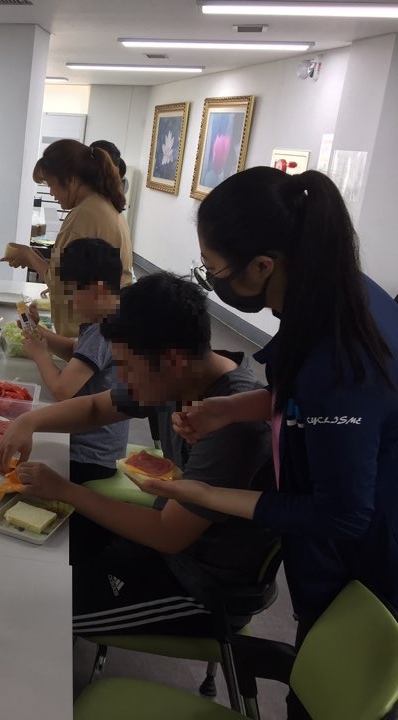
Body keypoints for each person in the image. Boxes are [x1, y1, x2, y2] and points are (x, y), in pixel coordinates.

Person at [138, 167, 398, 715]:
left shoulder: (340, 353)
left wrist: (207, 495)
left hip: (372, 560)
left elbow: (343, 513)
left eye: (214, 270)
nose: (212, 281)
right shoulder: (331, 291)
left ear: (263, 265)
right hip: (352, 531)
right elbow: (303, 398)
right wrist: (232, 408)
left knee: (336, 695)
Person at [0, 274, 275, 637]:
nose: (122, 379)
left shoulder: (233, 427)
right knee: (31, 558)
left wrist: (65, 490)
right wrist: (29, 420)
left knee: (40, 616)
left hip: (199, 587)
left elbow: (169, 534)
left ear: (172, 361)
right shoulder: (179, 375)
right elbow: (96, 408)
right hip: (161, 542)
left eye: (125, 367)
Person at [21, 238, 129, 487]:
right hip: (99, 449)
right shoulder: (112, 316)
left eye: (73, 292)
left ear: (97, 289)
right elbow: (75, 350)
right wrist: (38, 331)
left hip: (88, 455)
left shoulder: (104, 329)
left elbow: (62, 390)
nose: (71, 301)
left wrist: (40, 355)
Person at [2, 139, 133, 338]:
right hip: (96, 334)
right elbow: (79, 270)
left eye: (51, 185)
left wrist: (30, 257)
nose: (52, 194)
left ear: (70, 180)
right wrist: (40, 260)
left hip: (86, 336)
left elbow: (60, 281)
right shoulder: (102, 206)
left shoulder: (85, 214)